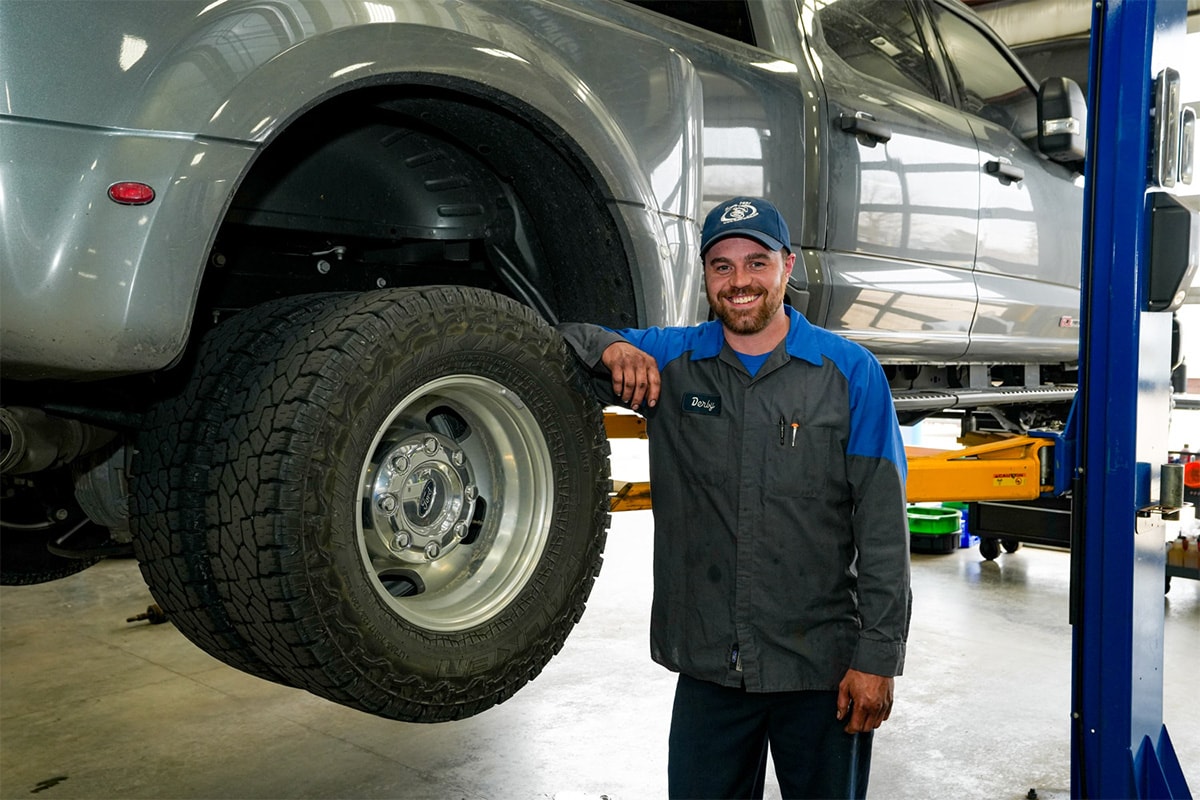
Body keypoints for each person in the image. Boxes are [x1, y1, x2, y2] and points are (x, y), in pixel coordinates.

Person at [557, 196, 911, 799]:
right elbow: (559, 340)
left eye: (756, 262)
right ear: (705, 274)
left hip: (820, 669)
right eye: (722, 266)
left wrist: (877, 657)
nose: (739, 281)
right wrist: (611, 348)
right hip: (711, 667)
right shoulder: (673, 360)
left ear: (787, 266)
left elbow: (882, 528)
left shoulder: (849, 373)